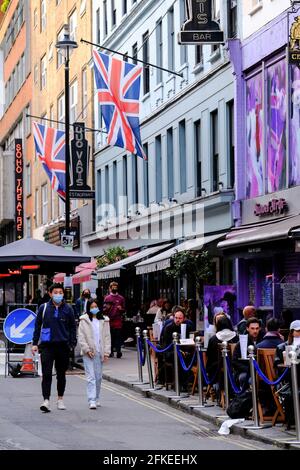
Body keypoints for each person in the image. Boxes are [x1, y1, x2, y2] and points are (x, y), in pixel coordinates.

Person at [32, 283, 77, 413]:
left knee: (61, 374)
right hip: (47, 346)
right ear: (50, 293)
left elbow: (73, 327)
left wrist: (72, 344)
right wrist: (35, 343)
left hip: (63, 346)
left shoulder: (68, 309)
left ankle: (60, 399)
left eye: (60, 292)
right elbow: (37, 325)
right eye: (55, 292)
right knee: (46, 374)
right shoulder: (43, 307)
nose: (58, 295)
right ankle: (46, 400)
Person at [78, 299, 111, 409]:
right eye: (91, 307)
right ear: (88, 308)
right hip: (88, 352)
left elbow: (107, 337)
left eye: (96, 306)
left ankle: (96, 398)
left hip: (99, 352)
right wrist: (87, 350)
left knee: (98, 377)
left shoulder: (104, 320)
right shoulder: (84, 320)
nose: (94, 309)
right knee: (91, 376)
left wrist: (106, 352)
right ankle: (91, 400)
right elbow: (81, 337)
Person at [161, 308, 194, 392]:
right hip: (171, 352)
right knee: (180, 358)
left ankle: (192, 383)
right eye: (176, 318)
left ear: (184, 318)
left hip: (186, 351)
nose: (177, 320)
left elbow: (191, 340)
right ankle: (181, 384)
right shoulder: (168, 328)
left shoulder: (188, 327)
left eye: (180, 318)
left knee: (192, 357)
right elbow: (167, 344)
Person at [232, 317, 263, 389]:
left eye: (257, 328)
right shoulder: (242, 342)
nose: (255, 331)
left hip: (261, 372)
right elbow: (234, 361)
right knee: (245, 378)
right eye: (252, 328)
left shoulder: (262, 340)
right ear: (247, 328)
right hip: (245, 371)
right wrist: (249, 370)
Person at [103, 281, 125, 358]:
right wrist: (107, 308)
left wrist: (121, 309)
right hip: (109, 319)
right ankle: (111, 351)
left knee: (118, 336)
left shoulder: (121, 298)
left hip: (118, 319)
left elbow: (124, 309)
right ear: (110, 288)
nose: (114, 288)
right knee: (110, 336)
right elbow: (104, 309)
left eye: (116, 287)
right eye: (113, 287)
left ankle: (119, 351)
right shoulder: (107, 298)